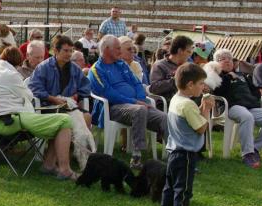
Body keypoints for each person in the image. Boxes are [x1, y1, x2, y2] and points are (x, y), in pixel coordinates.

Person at [0, 47, 76, 180]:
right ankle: (64, 170)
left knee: (58, 122)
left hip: (1, 119)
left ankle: (49, 165)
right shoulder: (11, 74)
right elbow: (29, 95)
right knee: (65, 120)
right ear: (16, 63)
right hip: (15, 119)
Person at [86, 35, 169, 168]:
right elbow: (109, 94)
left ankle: (175, 156)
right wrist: (134, 102)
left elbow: (137, 83)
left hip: (136, 105)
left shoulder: (121, 64)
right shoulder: (96, 70)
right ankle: (136, 157)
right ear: (107, 50)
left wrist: (141, 99)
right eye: (118, 48)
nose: (120, 51)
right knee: (140, 110)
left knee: (164, 117)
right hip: (113, 108)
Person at [207, 49, 262, 168]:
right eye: (222, 59)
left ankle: (254, 148)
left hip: (251, 107)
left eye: (229, 58)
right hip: (231, 107)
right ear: (216, 63)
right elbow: (218, 91)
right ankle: (247, 154)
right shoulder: (216, 76)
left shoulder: (243, 75)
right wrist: (228, 77)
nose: (227, 61)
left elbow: (256, 92)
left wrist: (254, 97)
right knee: (246, 116)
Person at [163, 63, 211, 206]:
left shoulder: (177, 100)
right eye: (200, 84)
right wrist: (206, 109)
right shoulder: (189, 104)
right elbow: (200, 128)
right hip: (186, 154)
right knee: (183, 191)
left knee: (170, 186)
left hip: (173, 152)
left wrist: (200, 109)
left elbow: (190, 119)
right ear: (190, 84)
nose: (203, 87)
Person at [28, 34, 87, 108]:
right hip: (47, 107)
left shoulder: (75, 69)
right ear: (56, 51)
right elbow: (34, 88)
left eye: (71, 51)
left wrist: (75, 96)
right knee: (74, 118)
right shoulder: (43, 67)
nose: (69, 54)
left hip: (69, 106)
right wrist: (53, 99)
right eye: (65, 50)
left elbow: (85, 87)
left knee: (87, 116)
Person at [148, 35, 192, 103]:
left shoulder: (188, 65)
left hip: (187, 101)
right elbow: (154, 88)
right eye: (188, 52)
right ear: (180, 51)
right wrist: (176, 79)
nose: (190, 55)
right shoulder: (159, 65)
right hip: (169, 103)